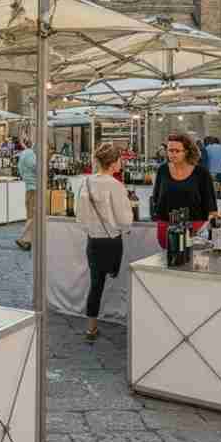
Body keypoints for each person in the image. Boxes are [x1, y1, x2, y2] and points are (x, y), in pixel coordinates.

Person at [75, 143, 134, 341]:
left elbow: (81, 218)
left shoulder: (86, 182)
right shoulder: (115, 185)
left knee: (96, 284)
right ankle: (124, 318)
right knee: (119, 281)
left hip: (93, 241)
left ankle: (91, 328)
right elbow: (125, 219)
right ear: (114, 162)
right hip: (112, 242)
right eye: (120, 160)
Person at [150, 133, 218, 245]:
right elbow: (157, 197)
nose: (173, 154)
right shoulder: (162, 170)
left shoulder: (201, 173)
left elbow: (211, 205)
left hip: (195, 227)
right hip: (166, 226)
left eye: (177, 151)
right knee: (168, 259)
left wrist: (209, 227)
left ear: (186, 152)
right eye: (170, 150)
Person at [15, 137, 37, 251]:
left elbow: (20, 169)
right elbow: (36, 167)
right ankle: (23, 238)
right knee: (33, 216)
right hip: (34, 187)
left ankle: (29, 240)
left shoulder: (23, 154)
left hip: (29, 187)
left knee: (30, 215)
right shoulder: (30, 154)